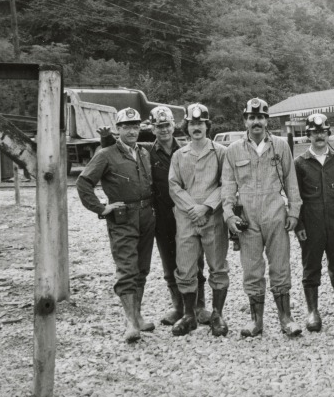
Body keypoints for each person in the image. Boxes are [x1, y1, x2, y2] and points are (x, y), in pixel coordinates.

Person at [99, 107, 210, 327]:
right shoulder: (146, 151)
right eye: (159, 126)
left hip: (187, 213)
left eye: (167, 125)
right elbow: (118, 153)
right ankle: (178, 306)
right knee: (170, 264)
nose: (164, 130)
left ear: (174, 126)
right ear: (153, 128)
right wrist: (105, 139)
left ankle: (199, 306)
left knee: (195, 261)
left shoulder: (186, 149)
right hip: (162, 216)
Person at [222, 97, 303, 337]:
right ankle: (256, 321)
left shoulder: (280, 146)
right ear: (245, 121)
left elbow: (291, 181)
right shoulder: (233, 150)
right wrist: (228, 215)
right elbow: (227, 185)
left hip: (275, 212)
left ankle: (285, 318)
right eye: (252, 117)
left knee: (280, 265)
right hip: (247, 216)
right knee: (251, 268)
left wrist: (294, 211)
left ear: (267, 120)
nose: (256, 122)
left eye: (260, 117)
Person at [76, 107, 155, 343]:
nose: (132, 131)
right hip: (122, 218)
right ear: (118, 129)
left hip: (146, 216)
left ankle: (138, 316)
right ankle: (130, 323)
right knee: (127, 270)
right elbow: (84, 182)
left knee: (142, 268)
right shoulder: (106, 154)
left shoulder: (143, 152)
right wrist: (101, 208)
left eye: (135, 126)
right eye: (126, 127)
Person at [294, 113, 334, 331]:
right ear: (308, 135)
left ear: (328, 133)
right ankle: (312, 311)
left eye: (323, 132)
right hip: (311, 224)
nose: (319, 136)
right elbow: (295, 197)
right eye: (315, 132)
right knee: (310, 268)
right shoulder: (300, 163)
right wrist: (299, 225)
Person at [168, 103, 229, 337]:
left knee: (218, 267)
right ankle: (189, 315)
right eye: (192, 124)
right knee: (185, 268)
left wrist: (206, 206)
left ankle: (217, 314)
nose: (196, 127)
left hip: (212, 218)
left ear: (207, 126)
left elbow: (226, 184)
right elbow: (173, 185)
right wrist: (192, 207)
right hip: (186, 218)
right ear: (187, 127)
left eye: (200, 123)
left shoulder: (220, 152)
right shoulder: (179, 155)